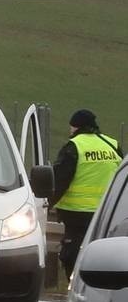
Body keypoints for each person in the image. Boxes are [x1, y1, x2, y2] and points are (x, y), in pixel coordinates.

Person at [50, 109, 123, 277]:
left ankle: (75, 287)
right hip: (107, 213)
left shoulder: (74, 146)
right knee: (103, 257)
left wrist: (47, 203)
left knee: (74, 257)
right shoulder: (112, 145)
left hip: (76, 214)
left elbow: (59, 181)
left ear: (76, 127)